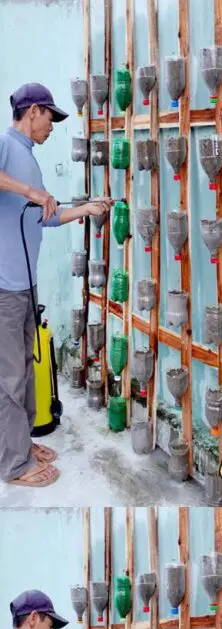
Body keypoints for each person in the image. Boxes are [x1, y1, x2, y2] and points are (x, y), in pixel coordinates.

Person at [0, 83, 112, 490]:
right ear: (32, 112)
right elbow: (27, 196)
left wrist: (85, 208)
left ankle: (22, 444)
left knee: (25, 372)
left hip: (24, 283)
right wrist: (30, 189)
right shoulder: (6, 145)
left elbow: (43, 216)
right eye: (50, 117)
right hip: (5, 288)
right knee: (9, 378)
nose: (52, 126)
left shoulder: (27, 157)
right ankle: (14, 465)